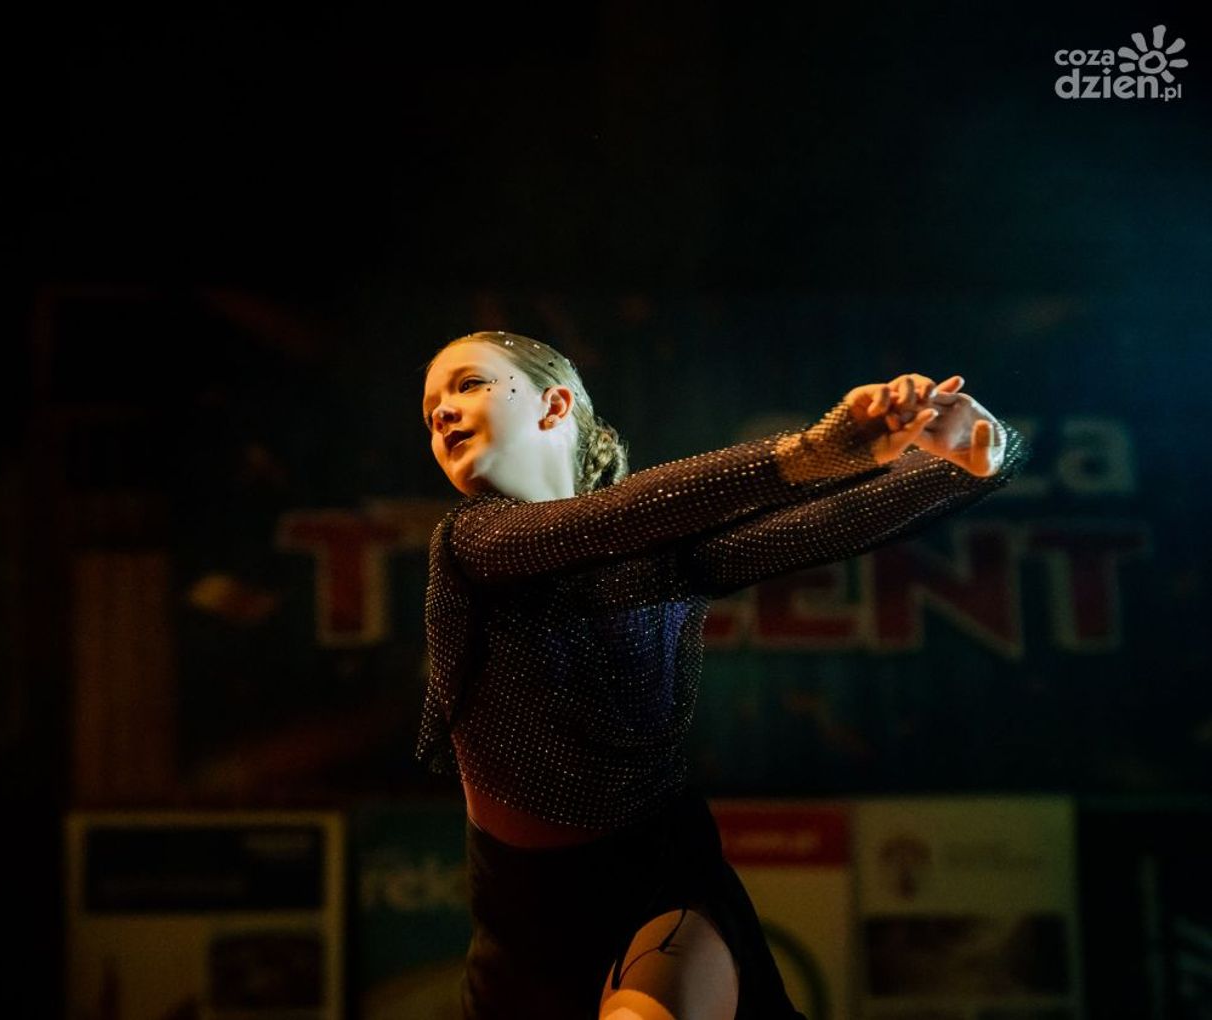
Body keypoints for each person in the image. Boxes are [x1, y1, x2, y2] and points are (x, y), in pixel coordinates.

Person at [414, 331, 1030, 1019]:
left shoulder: (662, 560)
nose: (442, 412)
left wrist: (978, 458)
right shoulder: (472, 541)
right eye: (430, 410)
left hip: (660, 887)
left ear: (554, 405)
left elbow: (825, 525)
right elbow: (615, 519)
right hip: (521, 928)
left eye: (469, 384)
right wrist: (813, 452)